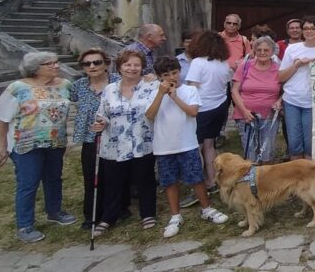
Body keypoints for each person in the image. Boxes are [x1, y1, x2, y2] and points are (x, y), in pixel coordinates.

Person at [0, 52, 76, 243]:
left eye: (57, 62)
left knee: (54, 178)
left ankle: (54, 211)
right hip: (25, 143)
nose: (56, 66)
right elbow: (1, 118)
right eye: (50, 63)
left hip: (56, 141)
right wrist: (2, 146)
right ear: (36, 68)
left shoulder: (65, 85)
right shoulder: (18, 88)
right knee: (28, 183)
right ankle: (25, 225)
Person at [145, 55, 228, 238]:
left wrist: (175, 97)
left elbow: (193, 112)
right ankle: (175, 216)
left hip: (187, 143)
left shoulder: (190, 90)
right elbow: (150, 115)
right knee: (169, 182)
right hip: (164, 145)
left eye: (175, 72)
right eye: (166, 74)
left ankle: (206, 208)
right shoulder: (152, 91)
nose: (172, 77)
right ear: (159, 76)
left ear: (180, 71)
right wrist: (161, 93)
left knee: (196, 178)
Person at [91, 50, 158, 235]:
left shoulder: (151, 86)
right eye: (127, 64)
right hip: (114, 142)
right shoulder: (110, 89)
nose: (132, 68)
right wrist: (100, 123)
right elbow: (102, 113)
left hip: (142, 141)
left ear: (142, 67)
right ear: (119, 67)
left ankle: (148, 213)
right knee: (113, 181)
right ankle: (108, 217)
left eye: (136, 64)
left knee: (145, 179)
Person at [69, 48, 119, 230]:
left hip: (114, 135)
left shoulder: (117, 82)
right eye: (87, 63)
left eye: (97, 62)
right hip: (91, 137)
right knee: (91, 176)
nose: (92, 66)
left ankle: (113, 212)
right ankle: (91, 214)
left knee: (113, 176)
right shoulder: (78, 86)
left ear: (106, 64)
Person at [278, 16, 315, 160]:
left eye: (312, 28)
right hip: (292, 100)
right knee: (294, 143)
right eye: (306, 28)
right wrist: (297, 65)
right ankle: (296, 176)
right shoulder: (292, 49)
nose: (309, 31)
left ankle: (309, 177)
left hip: (313, 102)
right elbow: (281, 77)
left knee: (310, 143)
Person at [185, 31, 232, 190]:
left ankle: (197, 181)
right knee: (210, 145)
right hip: (219, 107)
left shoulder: (198, 62)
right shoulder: (223, 64)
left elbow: (193, 88)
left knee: (196, 146)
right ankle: (213, 180)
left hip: (201, 109)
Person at [231, 36, 283, 163]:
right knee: (250, 155)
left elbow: (287, 90)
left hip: (269, 117)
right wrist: (244, 111)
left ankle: (265, 180)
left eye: (266, 50)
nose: (262, 53)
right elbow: (234, 91)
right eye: (259, 50)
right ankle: (251, 181)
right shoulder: (245, 66)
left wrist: (279, 101)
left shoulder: (279, 68)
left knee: (267, 153)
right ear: (254, 51)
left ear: (272, 52)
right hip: (246, 116)